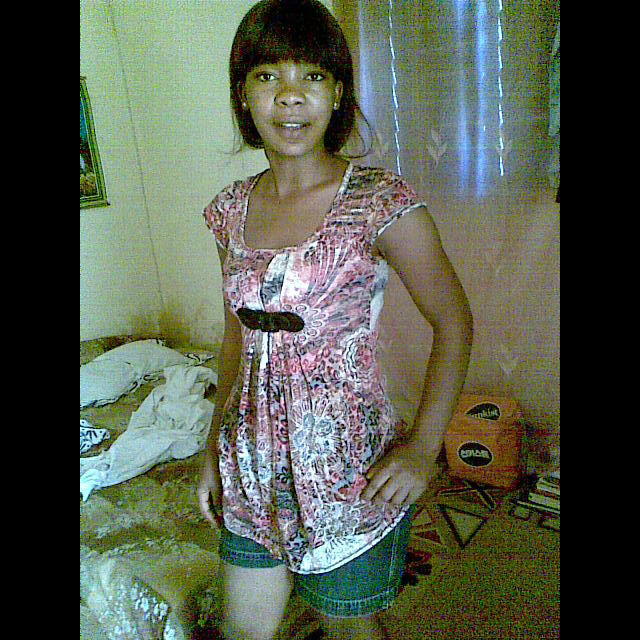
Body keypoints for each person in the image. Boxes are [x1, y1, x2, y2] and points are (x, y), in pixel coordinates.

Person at [197, 1, 473, 638]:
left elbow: (454, 322)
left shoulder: (380, 202)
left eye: (312, 76)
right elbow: (237, 337)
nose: (289, 97)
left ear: (338, 93)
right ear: (243, 94)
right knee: (243, 631)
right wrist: (212, 447)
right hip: (248, 466)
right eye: (268, 76)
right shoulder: (229, 211)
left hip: (350, 475)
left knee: (350, 629)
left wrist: (424, 449)